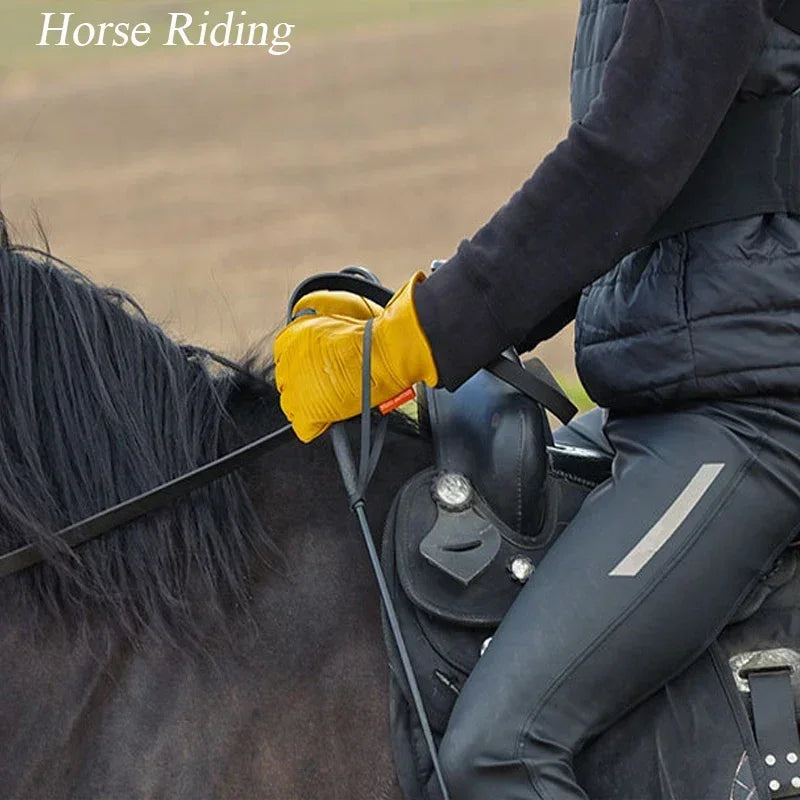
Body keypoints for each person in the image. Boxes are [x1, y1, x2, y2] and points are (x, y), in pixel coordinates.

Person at [274, 1, 800, 797]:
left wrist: (417, 339)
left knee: (499, 753)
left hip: (756, 417)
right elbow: (623, 213)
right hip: (668, 401)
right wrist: (407, 326)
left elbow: (622, 166)